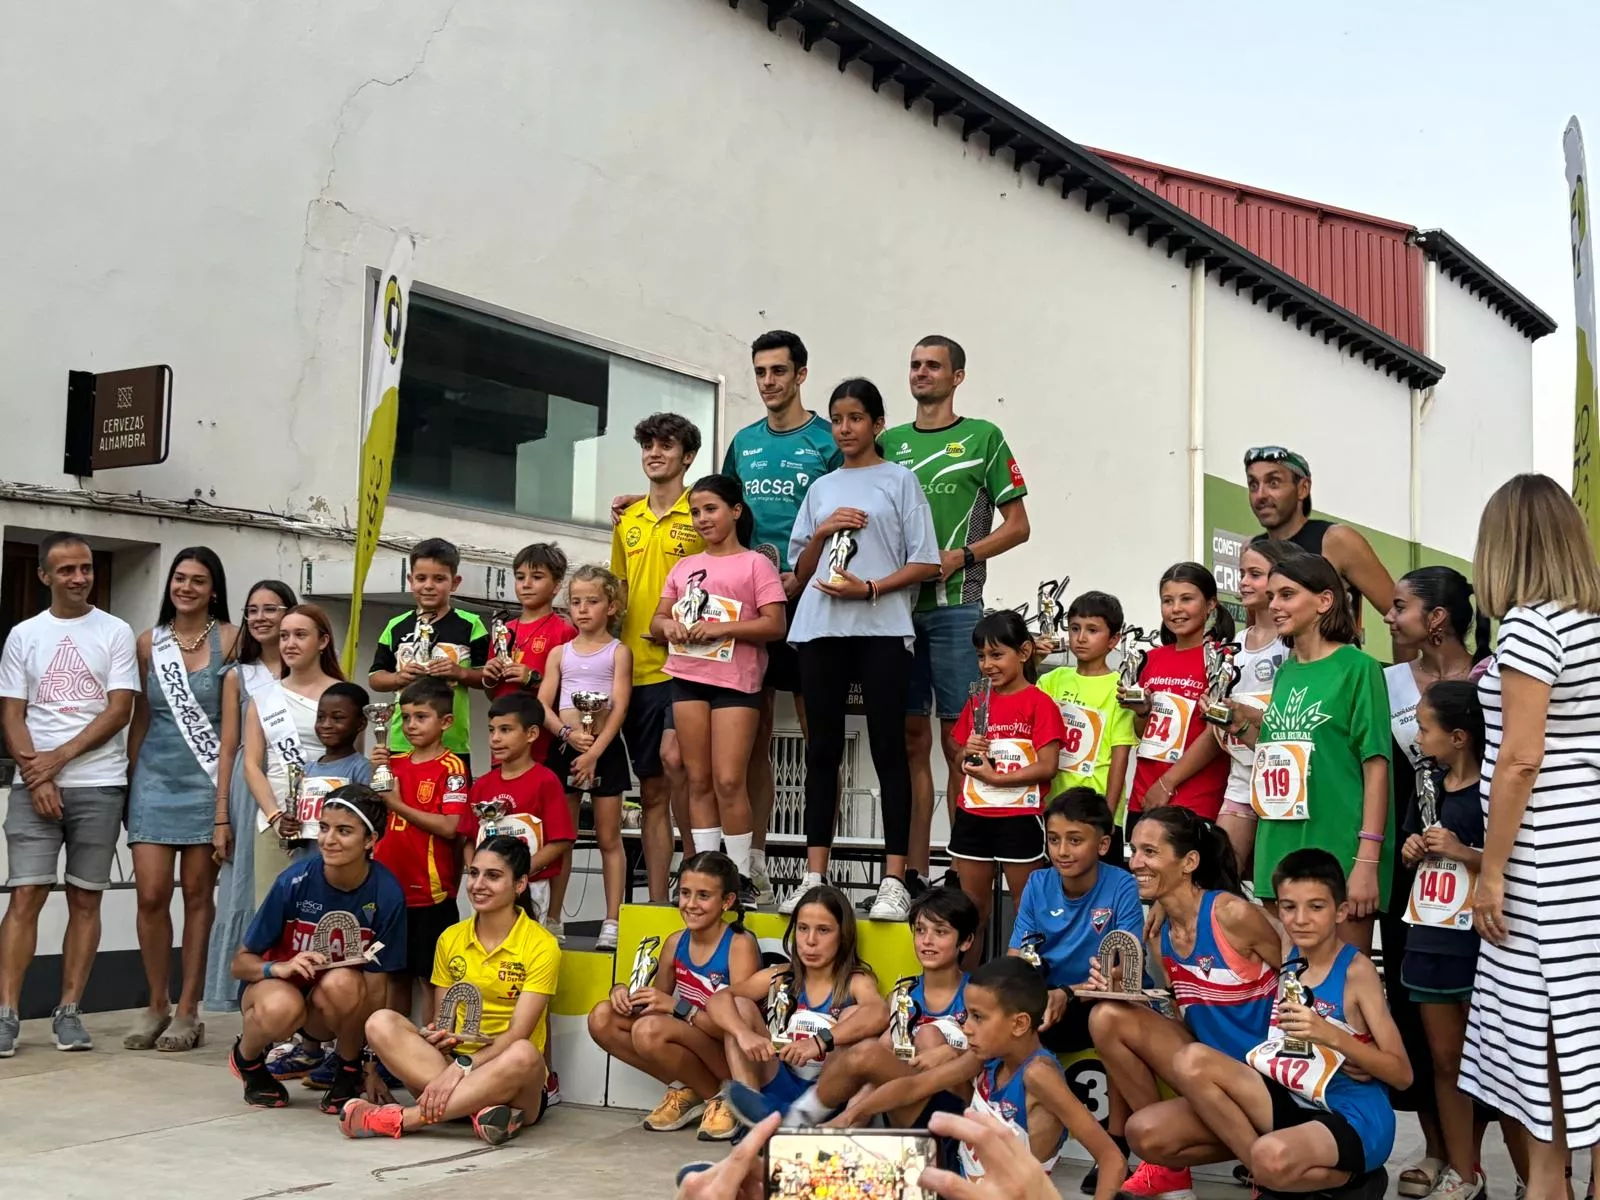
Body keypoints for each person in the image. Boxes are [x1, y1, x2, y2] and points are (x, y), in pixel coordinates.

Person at [1461, 474, 1600, 1199]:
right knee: (1585, 1036)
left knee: (1538, 1040)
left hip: (1545, 862)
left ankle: (1549, 1184)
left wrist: (1492, 873)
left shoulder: (1531, 626)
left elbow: (1520, 756)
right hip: (1590, 854)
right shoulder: (1591, 622)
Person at [1128, 849, 1410, 1198]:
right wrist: (1164, 900)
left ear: (1341, 911)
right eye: (1289, 907)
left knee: (1269, 1156)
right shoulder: (1287, 946)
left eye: (1317, 907)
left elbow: (1402, 1074)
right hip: (1290, 1096)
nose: (1301, 918)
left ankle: (1353, 1181)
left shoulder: (1357, 971)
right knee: (1148, 1124)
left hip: (1351, 1114)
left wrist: (1334, 1036)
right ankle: (1267, 1176)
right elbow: (1220, 893)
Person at [737, 958, 1125, 1200]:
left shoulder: (1039, 1075)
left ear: (1020, 1023)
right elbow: (912, 1086)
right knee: (803, 1177)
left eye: (977, 1017)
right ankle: (781, 1141)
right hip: (953, 1181)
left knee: (820, 1181)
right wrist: (844, 1120)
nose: (966, 1027)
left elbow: (1110, 1158)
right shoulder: (984, 1057)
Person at [785, 378, 941, 919]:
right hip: (820, 628)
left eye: (856, 418)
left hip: (881, 627)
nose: (845, 428)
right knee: (822, 750)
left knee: (887, 749)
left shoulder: (900, 481)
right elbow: (800, 572)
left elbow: (926, 561)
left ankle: (893, 879)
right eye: (837, 419)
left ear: (877, 424)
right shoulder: (822, 488)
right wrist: (824, 528)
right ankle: (813, 875)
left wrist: (870, 588)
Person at [884, 336, 1031, 892]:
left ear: (958, 377)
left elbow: (1018, 526)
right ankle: (913, 872)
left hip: (954, 611)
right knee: (908, 741)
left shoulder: (984, 437)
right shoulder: (889, 442)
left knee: (958, 740)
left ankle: (960, 862)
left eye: (933, 366)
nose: (921, 373)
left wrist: (963, 556)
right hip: (892, 609)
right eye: (914, 364)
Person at [1089, 806, 1280, 1200]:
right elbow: (1189, 1016)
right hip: (1210, 1077)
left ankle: (1270, 1178)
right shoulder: (1160, 934)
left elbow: (1305, 983)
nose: (1135, 862)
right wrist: (1122, 992)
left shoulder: (1232, 914)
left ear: (1189, 861)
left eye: (1149, 852)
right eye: (1134, 850)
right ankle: (1167, 1173)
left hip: (1265, 1083)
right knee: (1107, 1018)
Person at [0, 531, 139, 1056]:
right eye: (66, 570)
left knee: (86, 898)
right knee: (26, 895)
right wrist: (38, 776)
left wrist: (56, 763)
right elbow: (11, 713)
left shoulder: (115, 631)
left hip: (99, 783)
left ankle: (69, 1012)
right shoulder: (24, 635)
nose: (79, 578)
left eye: (85, 568)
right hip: (33, 788)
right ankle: (7, 1013)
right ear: (44, 576)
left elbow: (118, 707)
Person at [722, 330, 843, 908]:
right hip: (753, 603)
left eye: (778, 371)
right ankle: (757, 864)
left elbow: (852, 513)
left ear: (800, 374)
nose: (768, 382)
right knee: (752, 738)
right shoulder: (743, 443)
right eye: (760, 372)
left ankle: (823, 869)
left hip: (811, 594)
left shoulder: (827, 439)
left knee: (820, 734)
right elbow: (722, 512)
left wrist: (807, 573)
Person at [341, 835, 560, 1144]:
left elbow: (517, 1034)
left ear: (520, 884)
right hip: (447, 1070)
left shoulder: (542, 944)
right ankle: (483, 1113)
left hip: (511, 1078)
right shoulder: (450, 938)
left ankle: (403, 1119)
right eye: (474, 873)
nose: (478, 884)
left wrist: (460, 1069)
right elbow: (448, 1024)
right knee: (381, 1022)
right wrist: (438, 1037)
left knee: (523, 1054)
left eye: (493, 876)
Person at [1381, 564, 1487, 1199]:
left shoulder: (1494, 680)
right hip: (1418, 887)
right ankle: (1441, 1153)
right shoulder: (1394, 682)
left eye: (1400, 607)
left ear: (1437, 618)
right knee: (1426, 1027)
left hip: (1481, 898)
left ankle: (1511, 1167)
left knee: (1488, 1041)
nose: (1389, 619)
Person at [122, 546, 238, 1052]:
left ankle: (188, 1008)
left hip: (207, 781)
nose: (186, 587)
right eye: (179, 578)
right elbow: (140, 717)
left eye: (197, 580)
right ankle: (155, 1003)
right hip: (154, 777)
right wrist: (129, 779)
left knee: (196, 895)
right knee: (149, 893)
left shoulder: (231, 641)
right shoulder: (151, 644)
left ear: (214, 590)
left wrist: (225, 798)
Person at [1247, 551, 1393, 952]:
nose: (1273, 605)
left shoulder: (1358, 668)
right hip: (1279, 841)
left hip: (1340, 848)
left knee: (1343, 989)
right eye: (1271, 596)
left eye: (1287, 595)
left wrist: (1367, 858)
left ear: (1324, 601)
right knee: (1295, 984)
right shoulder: (1286, 671)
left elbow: (1376, 764)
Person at [228, 784, 405, 1113]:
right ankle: (249, 1061)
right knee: (281, 1006)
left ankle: (347, 1070)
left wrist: (369, 1065)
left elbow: (378, 988)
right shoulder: (293, 881)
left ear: (370, 841)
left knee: (347, 981)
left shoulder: (387, 893)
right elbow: (239, 964)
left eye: (344, 831)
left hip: (326, 1005)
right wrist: (277, 967)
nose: (328, 840)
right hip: (275, 994)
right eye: (324, 828)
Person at [653, 473, 788, 899]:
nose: (702, 519)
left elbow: (775, 624)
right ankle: (707, 873)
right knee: (698, 779)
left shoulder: (755, 563)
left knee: (730, 779)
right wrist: (670, 624)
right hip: (688, 678)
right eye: (695, 512)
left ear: (735, 510)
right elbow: (656, 621)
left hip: (737, 683)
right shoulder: (684, 566)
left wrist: (723, 629)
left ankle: (741, 874)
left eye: (710, 509)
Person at [1400, 681, 1509, 1200]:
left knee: (1502, 1066)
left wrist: (1466, 852)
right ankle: (1464, 1174)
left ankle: (1538, 1178)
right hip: (1428, 940)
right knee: (1446, 1063)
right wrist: (1413, 849)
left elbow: (1513, 859)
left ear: (1460, 736)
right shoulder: (1427, 785)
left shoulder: (1494, 790)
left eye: (1425, 728)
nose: (1418, 738)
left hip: (1482, 945)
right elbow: (1409, 851)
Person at [587, 851, 760, 1140]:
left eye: (703, 895)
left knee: (650, 1030)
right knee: (603, 1017)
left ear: (727, 901)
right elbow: (651, 1004)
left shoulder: (739, 943)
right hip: (694, 1039)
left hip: (731, 1053)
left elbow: (739, 1027)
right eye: (685, 893)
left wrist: (678, 1008)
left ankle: (730, 1098)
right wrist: (623, 994)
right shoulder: (675, 942)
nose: (691, 904)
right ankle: (700, 1092)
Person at [612, 413, 704, 900]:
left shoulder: (704, 511)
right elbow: (619, 593)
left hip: (690, 665)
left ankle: (699, 883)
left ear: (687, 456)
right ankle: (659, 903)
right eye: (648, 444)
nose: (655, 452)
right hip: (637, 669)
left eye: (666, 445)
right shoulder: (626, 518)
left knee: (683, 770)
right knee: (651, 789)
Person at [708, 884, 888, 1123]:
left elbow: (879, 1013)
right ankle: (750, 1118)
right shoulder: (781, 975)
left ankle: (842, 1131)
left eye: (823, 930)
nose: (810, 941)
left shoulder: (856, 981)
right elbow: (719, 999)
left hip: (827, 1095)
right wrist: (743, 1034)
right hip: (778, 1081)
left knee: (856, 1016)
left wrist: (819, 1041)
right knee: (739, 1007)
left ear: (843, 935)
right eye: (803, 929)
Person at [205, 579, 297, 1016]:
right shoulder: (238, 676)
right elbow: (228, 748)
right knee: (245, 887)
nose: (260, 618)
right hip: (250, 787)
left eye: (271, 608)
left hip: (301, 790)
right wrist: (222, 814)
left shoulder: (313, 674)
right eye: (252, 610)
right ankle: (249, 990)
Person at [948, 610, 1064, 951]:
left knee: (1027, 911)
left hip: (1019, 819)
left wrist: (999, 779)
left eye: (997, 654)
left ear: (1024, 652)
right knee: (972, 914)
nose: (987, 664)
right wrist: (965, 751)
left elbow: (1048, 767)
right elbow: (960, 761)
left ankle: (1028, 993)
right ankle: (964, 996)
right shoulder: (977, 701)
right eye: (981, 656)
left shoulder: (1040, 703)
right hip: (974, 816)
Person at [1008, 789, 1142, 1063]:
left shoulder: (1122, 884)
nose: (1062, 851)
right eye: (1054, 840)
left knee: (1107, 1013)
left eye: (1075, 840)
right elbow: (1017, 959)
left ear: (1103, 845)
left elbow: (1125, 973)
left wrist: (1068, 994)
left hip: (1098, 1002)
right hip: (1048, 1001)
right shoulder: (1037, 883)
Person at [537, 565, 631, 946]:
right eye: (576, 602)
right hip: (565, 747)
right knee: (563, 836)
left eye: (592, 601)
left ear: (611, 606)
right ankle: (554, 917)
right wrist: (567, 733)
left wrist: (595, 751)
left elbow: (620, 705)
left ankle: (611, 921)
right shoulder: (560, 653)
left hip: (604, 749)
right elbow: (543, 704)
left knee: (609, 837)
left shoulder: (617, 652)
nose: (583, 609)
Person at [370, 676, 469, 1020]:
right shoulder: (393, 764)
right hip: (388, 888)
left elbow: (450, 826)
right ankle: (390, 1057)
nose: (411, 725)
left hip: (430, 893)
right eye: (406, 717)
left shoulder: (452, 768)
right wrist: (375, 772)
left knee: (430, 978)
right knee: (393, 976)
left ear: (446, 722)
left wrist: (396, 804)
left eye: (421, 717)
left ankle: (428, 1053)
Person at [1122, 563, 1234, 830]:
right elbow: (1143, 733)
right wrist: (1142, 711)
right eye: (1167, 601)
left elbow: (1217, 735)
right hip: (1144, 797)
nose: (1176, 609)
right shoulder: (1151, 659)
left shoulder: (1223, 659)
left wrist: (1167, 783)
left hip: (1194, 799)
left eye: (1187, 599)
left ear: (1210, 605)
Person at [243, 603, 344, 900]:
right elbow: (251, 764)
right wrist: (276, 818)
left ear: (322, 641)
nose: (290, 643)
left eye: (300, 635)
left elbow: (350, 761)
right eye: (284, 636)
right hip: (274, 821)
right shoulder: (263, 698)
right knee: (271, 913)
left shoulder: (343, 695)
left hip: (328, 824)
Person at [1244, 446, 1396, 638]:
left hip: (1333, 664)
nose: (1261, 495)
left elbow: (1399, 615)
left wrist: (1405, 668)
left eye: (1273, 483)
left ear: (1303, 488)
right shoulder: (1251, 549)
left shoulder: (1336, 540)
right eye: (1253, 485)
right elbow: (1255, 626)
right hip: (1277, 667)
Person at [368, 537, 489, 771]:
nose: (429, 585)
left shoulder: (471, 624)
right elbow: (375, 677)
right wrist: (398, 678)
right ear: (410, 581)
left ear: (455, 583)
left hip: (452, 741)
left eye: (439, 579)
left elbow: (487, 678)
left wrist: (460, 672)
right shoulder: (396, 625)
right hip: (401, 741)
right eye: (421, 578)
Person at [1035, 591, 1140, 847]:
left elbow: (1120, 755)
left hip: (1096, 808)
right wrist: (1030, 661)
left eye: (1092, 630)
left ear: (1114, 639)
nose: (1081, 638)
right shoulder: (1051, 680)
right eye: (1074, 628)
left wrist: (1109, 812)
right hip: (1052, 805)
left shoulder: (1120, 687)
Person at [463, 692, 573, 927]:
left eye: (505, 730)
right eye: (492, 730)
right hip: (488, 888)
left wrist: (518, 873)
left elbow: (561, 840)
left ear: (531, 733)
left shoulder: (546, 781)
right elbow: (469, 839)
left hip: (530, 885)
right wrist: (478, 875)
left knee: (524, 949)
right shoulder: (482, 784)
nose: (495, 738)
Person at [1215, 538, 1291, 874]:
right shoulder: (1232, 648)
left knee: (1277, 886)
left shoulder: (1292, 645)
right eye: (1242, 573)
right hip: (1241, 776)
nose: (1244, 581)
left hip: (1285, 779)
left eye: (1255, 574)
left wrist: (1245, 718)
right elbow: (1217, 716)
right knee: (1220, 876)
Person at [482, 542, 577, 726]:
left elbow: (571, 695)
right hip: (503, 735)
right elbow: (493, 694)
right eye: (520, 577)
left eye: (537, 577)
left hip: (543, 737)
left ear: (557, 586)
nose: (526, 584)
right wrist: (488, 679)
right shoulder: (503, 630)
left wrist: (533, 679)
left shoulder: (565, 632)